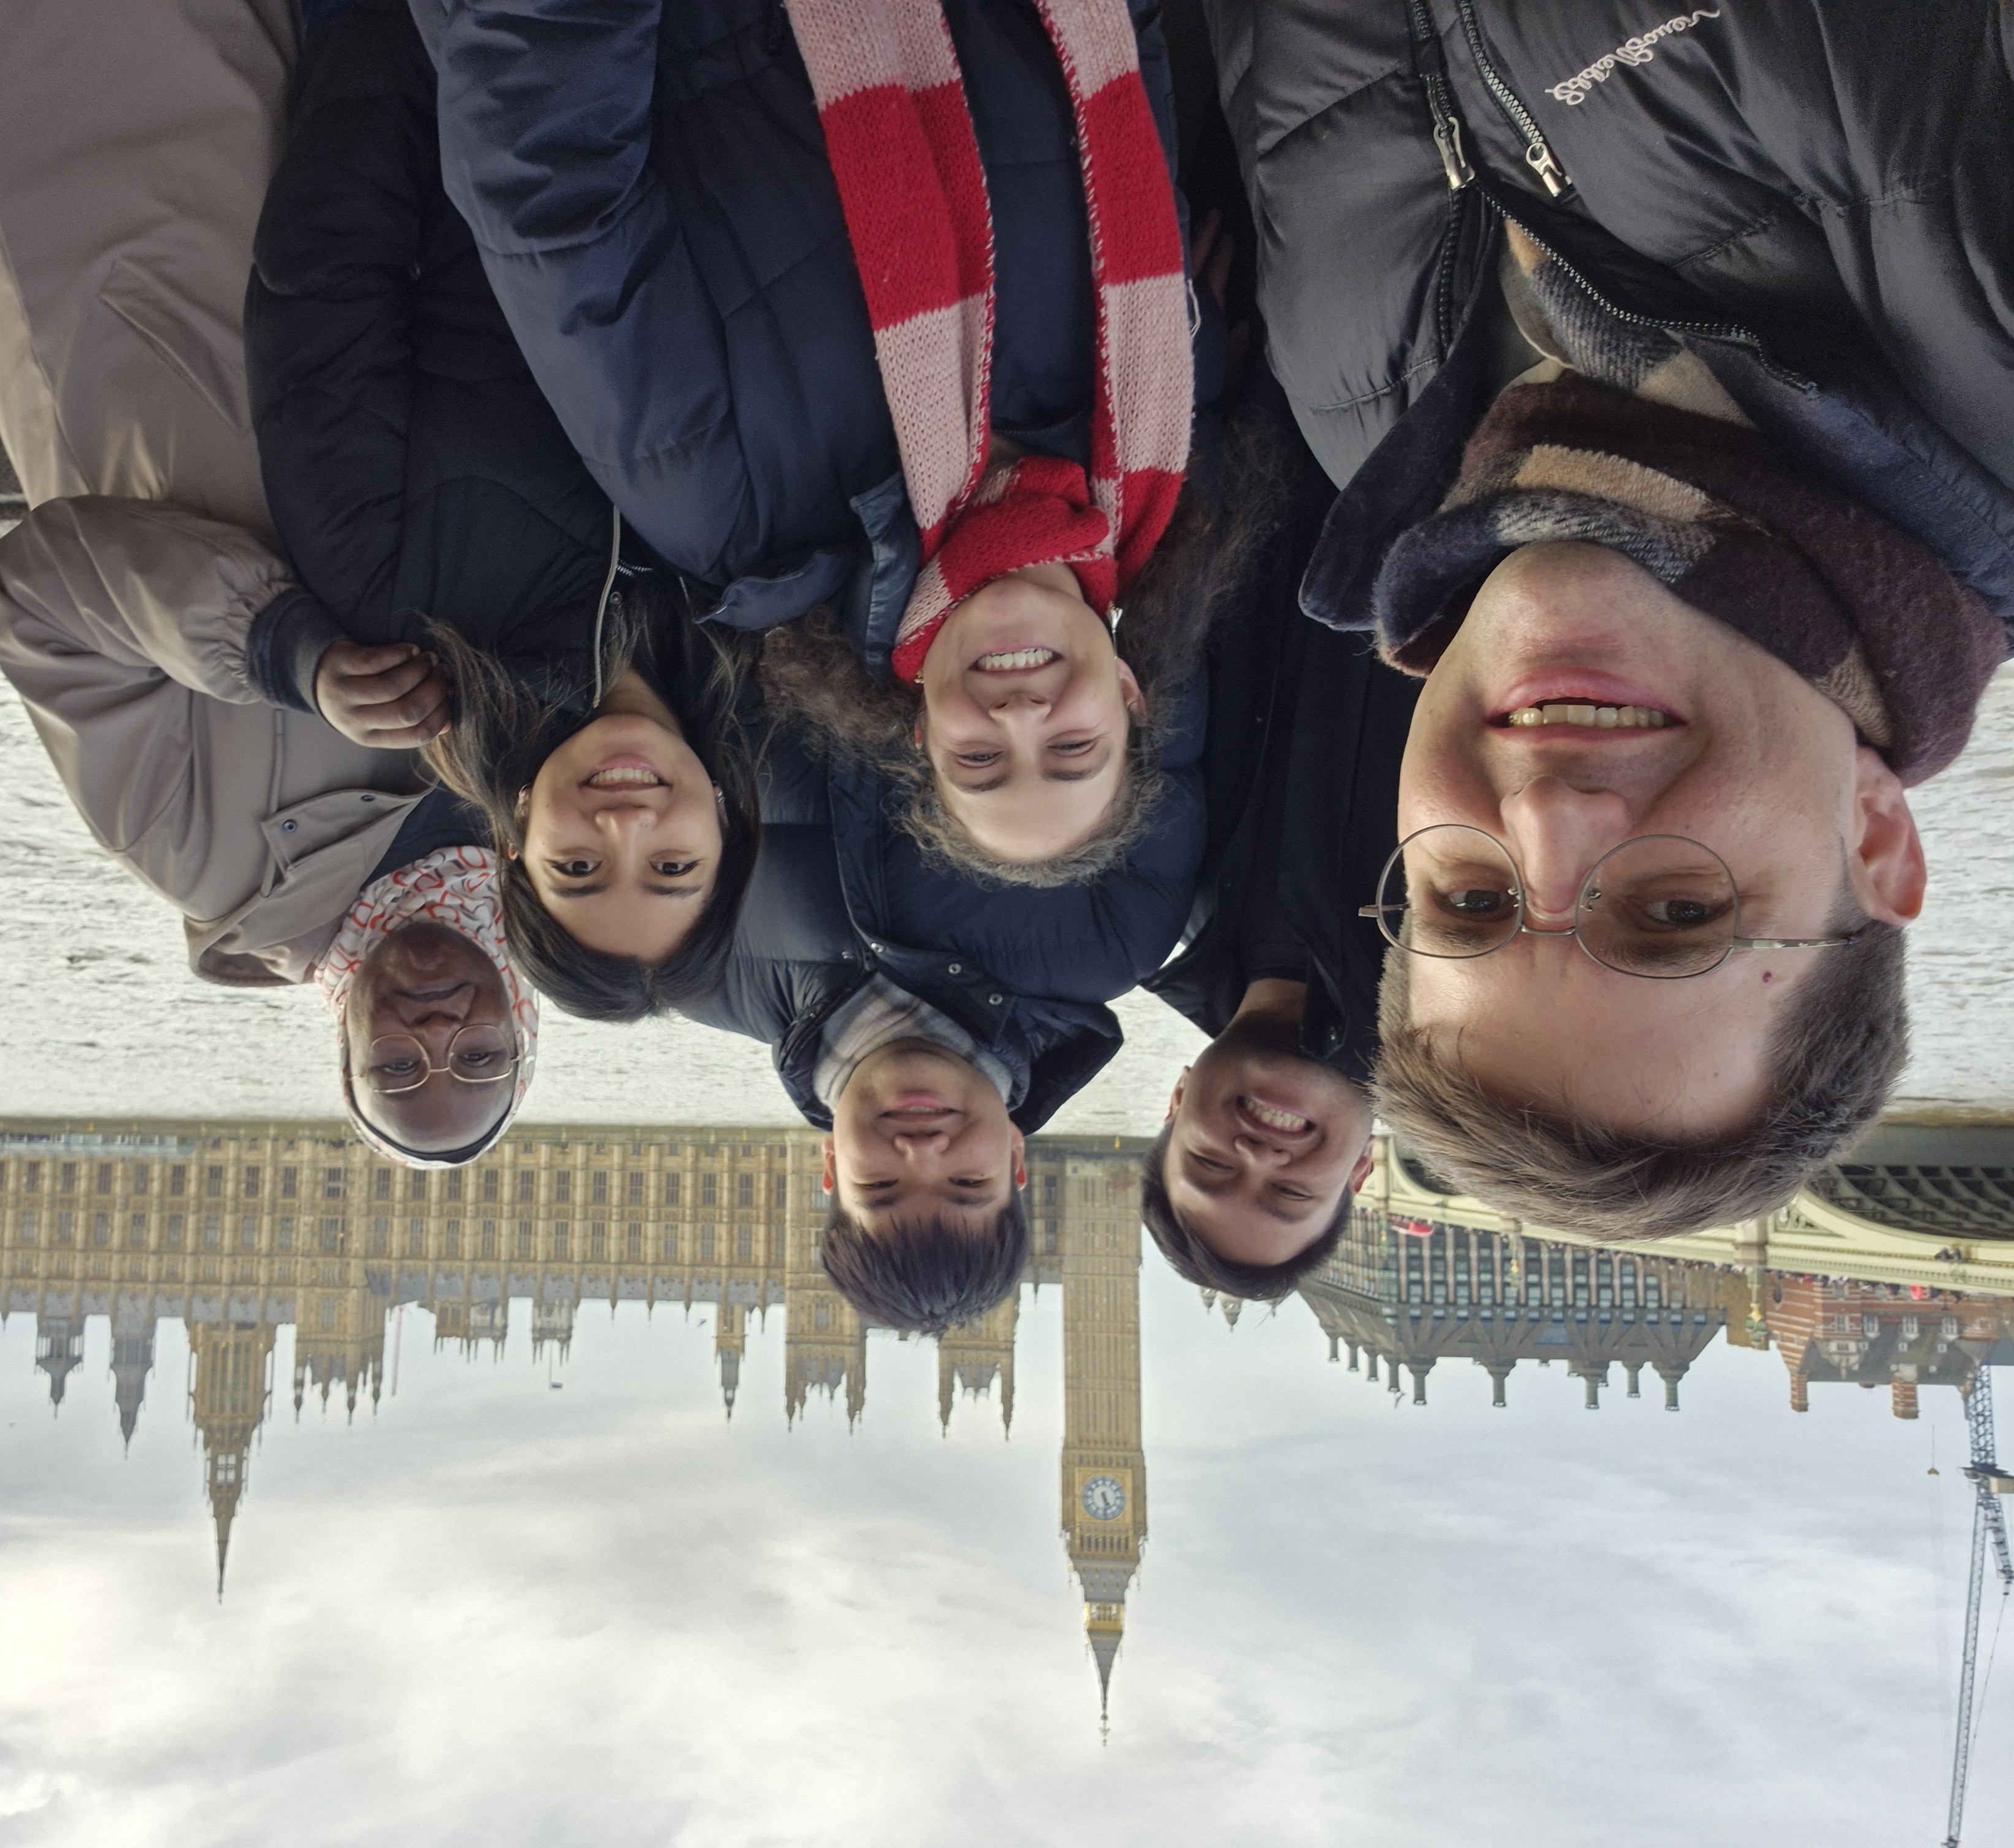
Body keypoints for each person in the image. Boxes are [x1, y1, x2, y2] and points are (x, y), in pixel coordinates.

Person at [1203, 0, 2014, 1235]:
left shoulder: (1361, 422)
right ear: (1875, 841)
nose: (1544, 817)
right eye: (1675, 914)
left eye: (1468, 905)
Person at [0, 0, 532, 1165]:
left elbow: (38, 601)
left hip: (152, 225)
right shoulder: (567, 845)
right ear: (527, 1025)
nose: (437, 1032)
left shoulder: (202, 850)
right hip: (391, 170)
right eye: (481, 1059)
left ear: (346, 1047)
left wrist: (281, 654)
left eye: (397, 1068)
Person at [412, 0, 1212, 877]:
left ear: (923, 727)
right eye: (1073, 749)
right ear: (1129, 695)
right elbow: (1120, 59)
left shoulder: (742, 516)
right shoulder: (1148, 403)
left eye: (978, 762)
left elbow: (548, 192)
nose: (1023, 717)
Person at [243, 0, 759, 1018]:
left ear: (517, 837)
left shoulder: (396, 600)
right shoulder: (765, 600)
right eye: (671, 868)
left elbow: (327, 273)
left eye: (576, 870)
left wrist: (400, 28)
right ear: (728, 828)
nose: (624, 826)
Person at [681, 731, 1120, 1332]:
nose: (921, 1151)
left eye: (881, 1184)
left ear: (832, 1169)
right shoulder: (1108, 947)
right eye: (966, 1182)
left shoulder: (692, 972)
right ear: (1015, 1159)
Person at [1141, 399, 1415, 1296]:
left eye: (1213, 1168)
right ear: (1362, 1175)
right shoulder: (1479, 966)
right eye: (1291, 1192)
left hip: (1286, 393)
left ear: (1178, 1105)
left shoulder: (1162, 895)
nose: (1257, 1156)